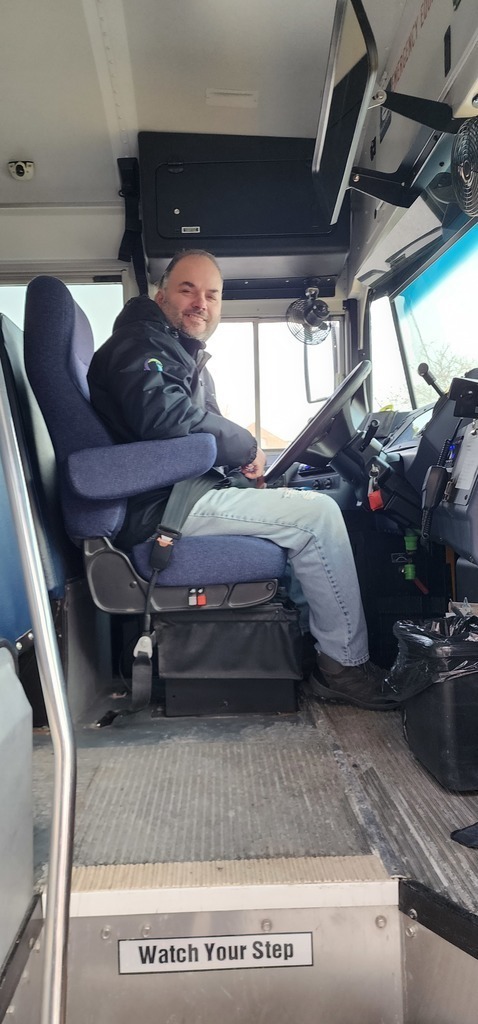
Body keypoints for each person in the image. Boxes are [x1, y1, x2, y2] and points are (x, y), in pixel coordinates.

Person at [87, 249, 398, 711]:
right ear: (160, 294)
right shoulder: (139, 344)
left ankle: (309, 650)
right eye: (187, 289)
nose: (201, 303)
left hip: (181, 493)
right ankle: (344, 668)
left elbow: (193, 425)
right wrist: (246, 446)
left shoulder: (175, 351)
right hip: (162, 507)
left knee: (299, 505)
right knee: (318, 516)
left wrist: (240, 468)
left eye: (212, 294)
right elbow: (163, 418)